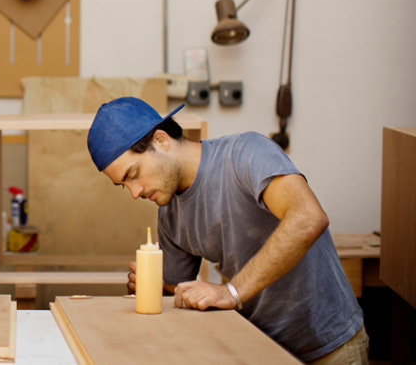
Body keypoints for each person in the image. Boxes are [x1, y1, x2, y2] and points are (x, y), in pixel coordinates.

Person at [87, 97, 367, 365]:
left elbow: (308, 218)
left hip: (327, 347)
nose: (134, 193)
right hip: (259, 349)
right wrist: (154, 285)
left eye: (133, 175)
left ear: (161, 141)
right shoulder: (170, 214)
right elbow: (179, 294)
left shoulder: (245, 154)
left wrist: (231, 291)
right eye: (122, 185)